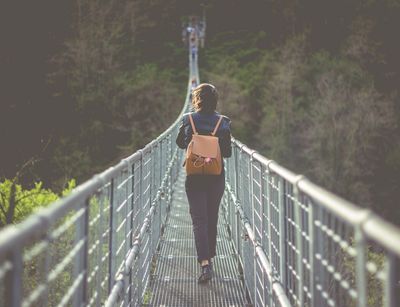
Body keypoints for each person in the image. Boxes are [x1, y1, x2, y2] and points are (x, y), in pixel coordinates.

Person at [176, 83, 232, 283]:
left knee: (199, 220)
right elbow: (227, 153)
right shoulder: (223, 122)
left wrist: (192, 135)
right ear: (215, 100)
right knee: (212, 217)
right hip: (216, 177)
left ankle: (205, 264)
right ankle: (211, 256)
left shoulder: (188, 119)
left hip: (194, 177)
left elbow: (181, 144)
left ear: (197, 99)